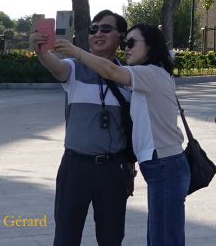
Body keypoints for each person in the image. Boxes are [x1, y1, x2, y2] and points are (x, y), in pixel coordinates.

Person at [54, 23, 189, 246]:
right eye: (125, 43)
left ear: (151, 46)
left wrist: (77, 52)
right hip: (162, 164)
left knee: (164, 238)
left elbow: (111, 71)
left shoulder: (150, 73)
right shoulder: (152, 73)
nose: (126, 48)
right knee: (161, 235)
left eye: (132, 43)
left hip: (165, 164)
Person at [29, 10, 134, 246]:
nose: (98, 33)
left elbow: (129, 128)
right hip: (75, 167)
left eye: (106, 29)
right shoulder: (74, 68)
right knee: (66, 236)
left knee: (111, 237)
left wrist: (130, 167)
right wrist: (40, 51)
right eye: (93, 29)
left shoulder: (127, 76)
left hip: (113, 169)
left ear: (120, 37)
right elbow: (54, 66)